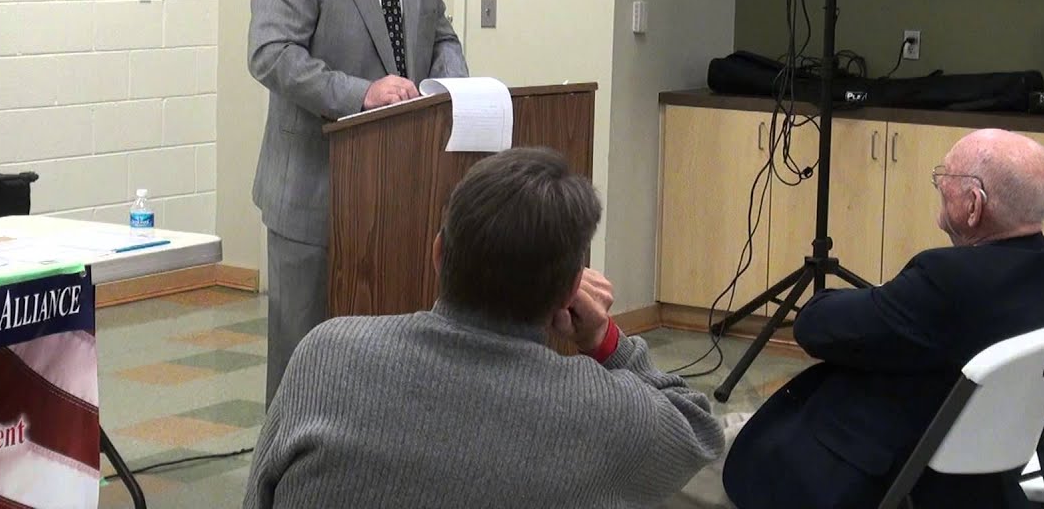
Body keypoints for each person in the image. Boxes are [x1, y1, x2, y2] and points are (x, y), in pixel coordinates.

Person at [241, 147, 725, 509]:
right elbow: (700, 432)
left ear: (438, 253)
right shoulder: (606, 412)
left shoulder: (325, 352)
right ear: (569, 292)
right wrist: (605, 340)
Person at [722, 128, 1044, 509]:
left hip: (870, 472)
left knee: (704, 452)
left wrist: (882, 296)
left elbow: (814, 326)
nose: (939, 184)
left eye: (946, 177)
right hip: (971, 473)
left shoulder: (946, 281)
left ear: (974, 205)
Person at [248, 0, 468, 404]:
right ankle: (288, 459)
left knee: (388, 353)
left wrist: (450, 87)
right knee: (304, 357)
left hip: (400, 191)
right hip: (316, 191)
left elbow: (440, 35)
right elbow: (272, 55)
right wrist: (361, 95)